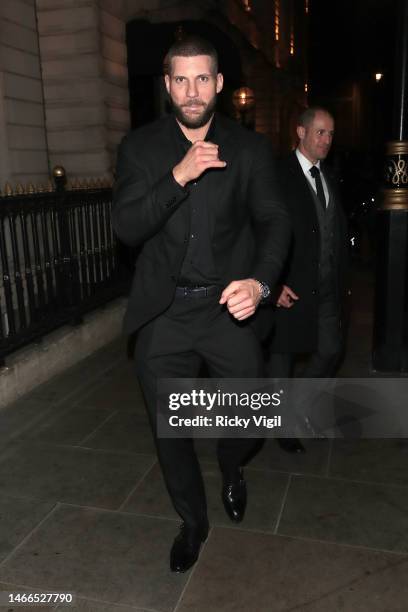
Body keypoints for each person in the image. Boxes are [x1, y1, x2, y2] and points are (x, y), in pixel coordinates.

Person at [112, 35, 290, 572]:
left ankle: (232, 467)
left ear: (218, 84)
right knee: (172, 432)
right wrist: (178, 176)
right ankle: (193, 521)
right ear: (167, 85)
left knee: (249, 417)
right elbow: (126, 226)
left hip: (225, 308)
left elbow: (275, 222)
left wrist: (259, 284)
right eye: (181, 80)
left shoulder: (251, 150)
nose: (192, 91)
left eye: (202, 79)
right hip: (164, 313)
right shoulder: (139, 149)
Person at [265, 107, 349, 453]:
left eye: (330, 134)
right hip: (291, 286)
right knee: (282, 358)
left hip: (326, 286)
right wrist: (274, 280)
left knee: (331, 350)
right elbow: (262, 229)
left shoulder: (327, 175)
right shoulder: (277, 174)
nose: (327, 140)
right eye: (320, 132)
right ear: (300, 132)